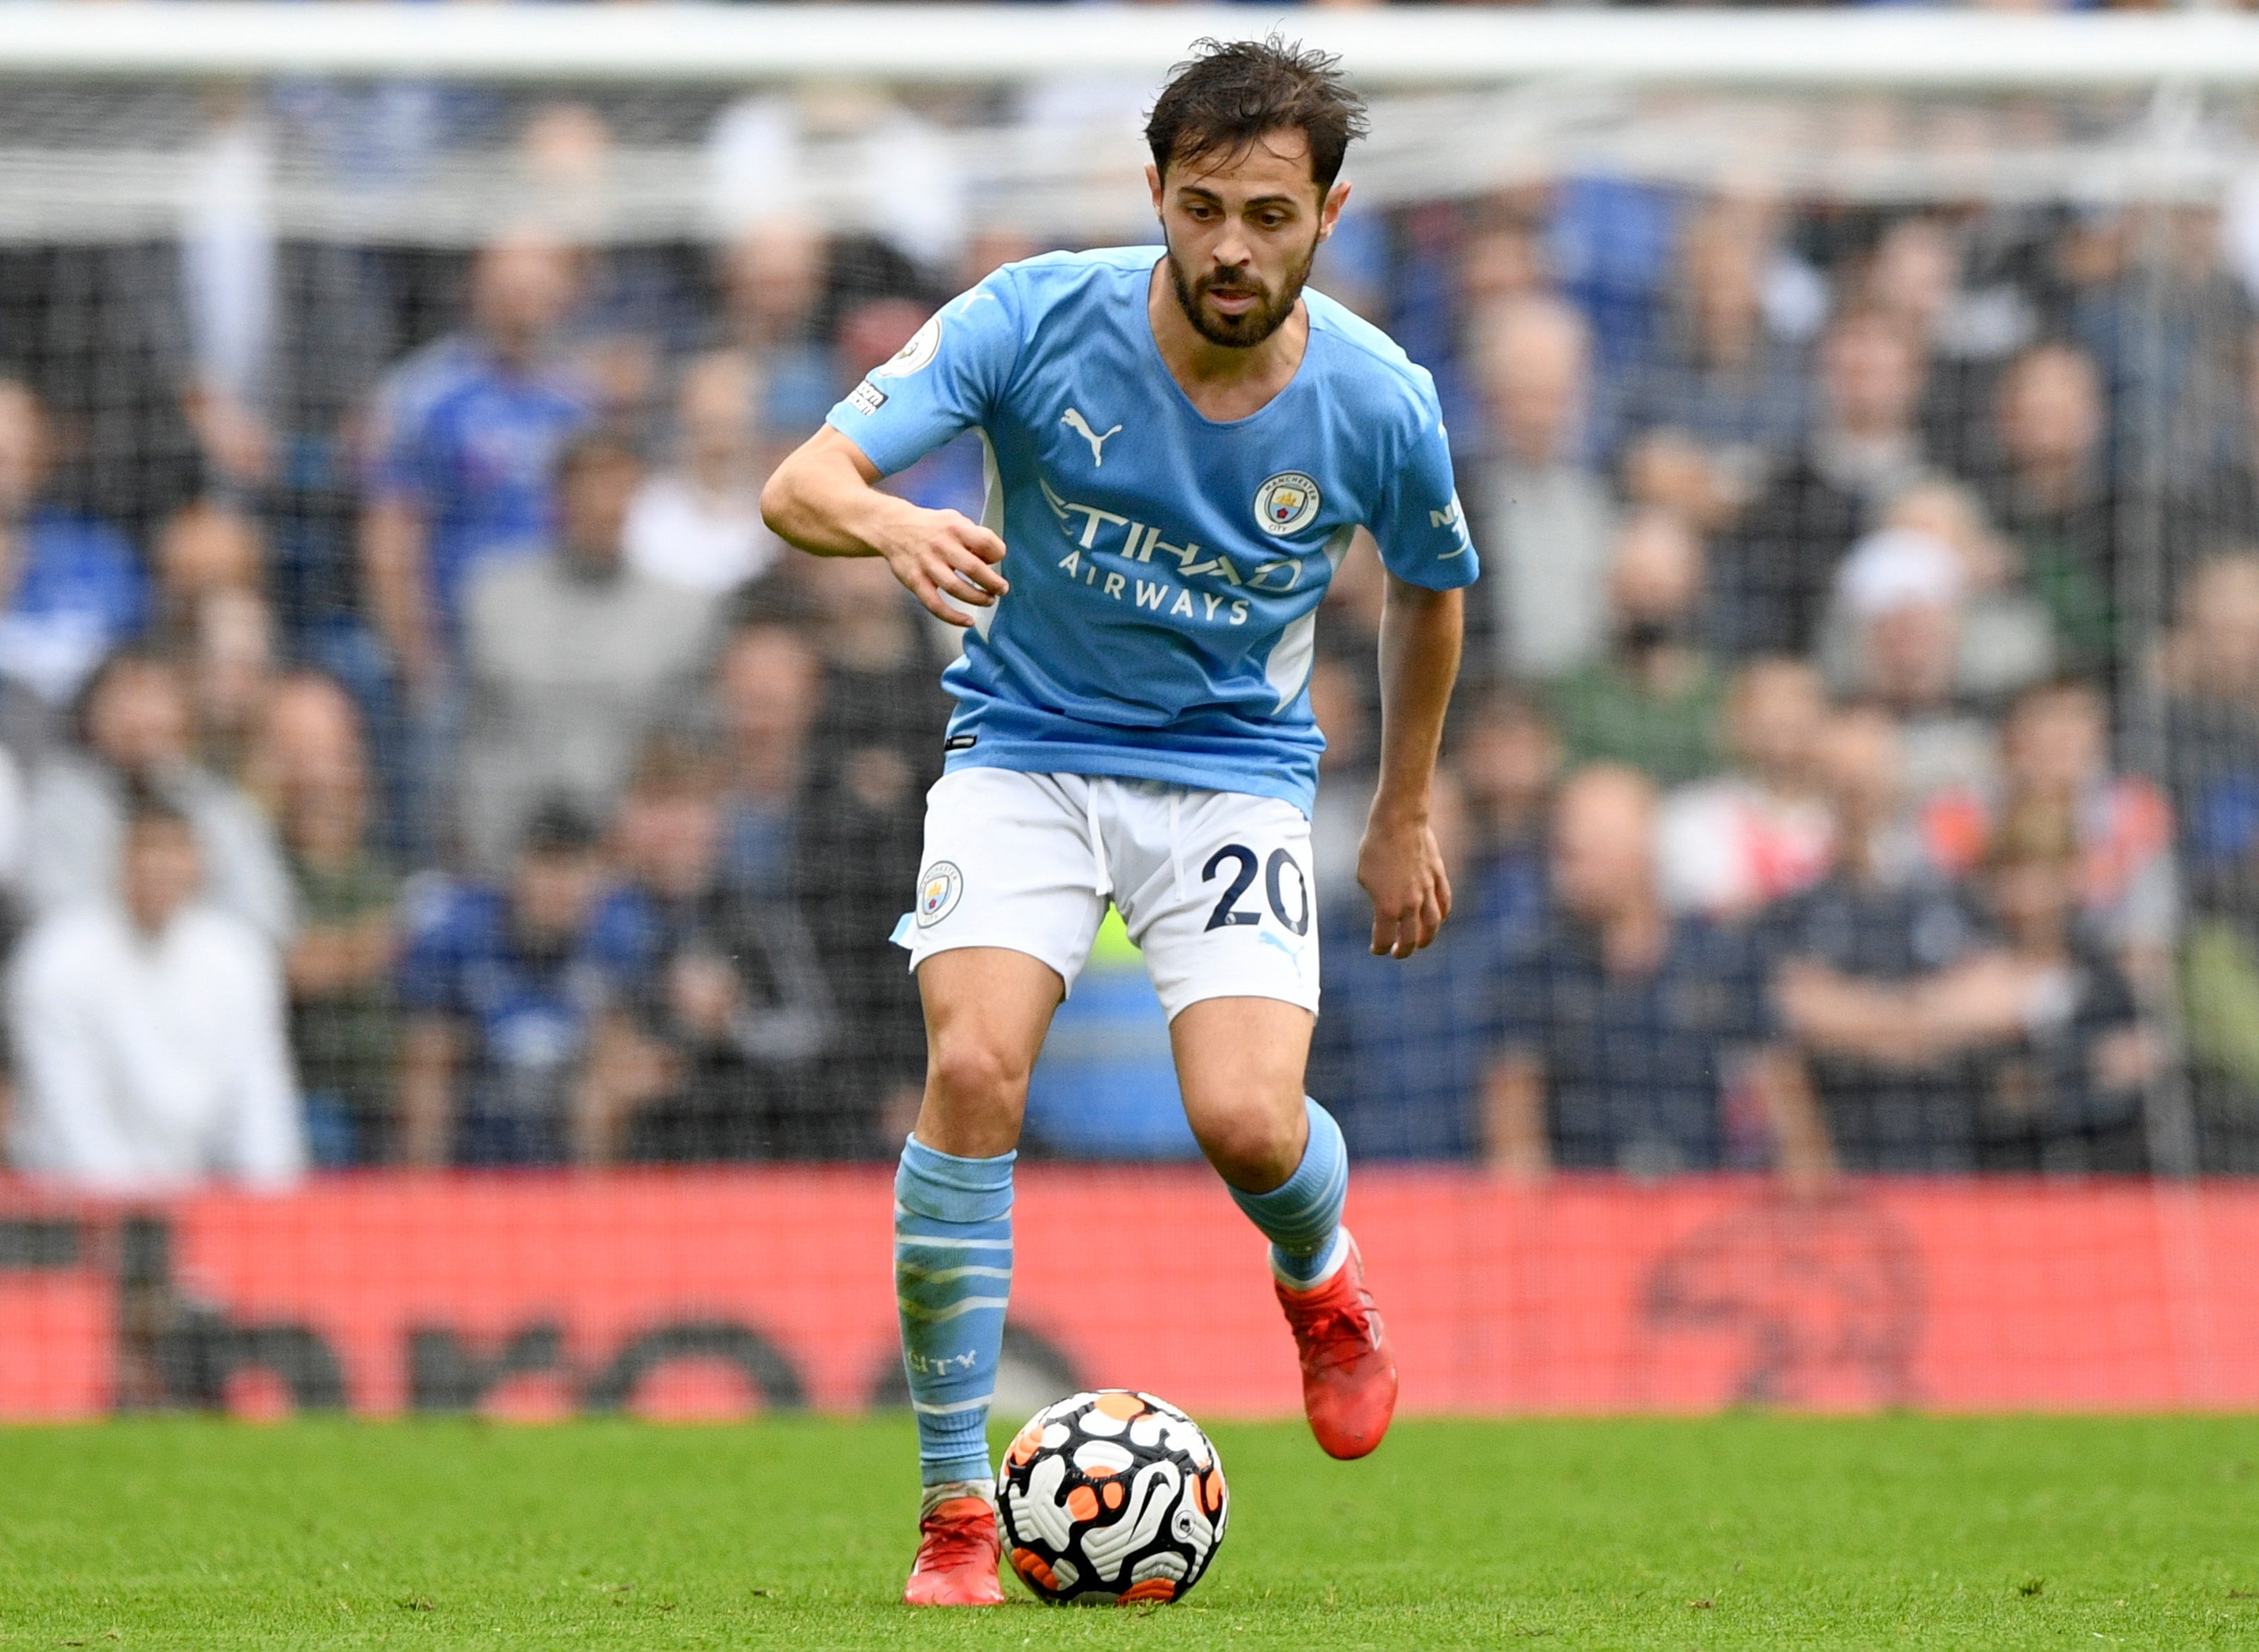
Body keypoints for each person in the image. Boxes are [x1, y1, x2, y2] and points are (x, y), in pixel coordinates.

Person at [760, 40, 1475, 1605]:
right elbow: (799, 483)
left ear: (1330, 213)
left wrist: (1402, 810)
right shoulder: (1031, 318)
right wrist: (888, 522)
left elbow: (1430, 595)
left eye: (1269, 216)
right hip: (1023, 751)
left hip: (1232, 773)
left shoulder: (1378, 399)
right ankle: (954, 1512)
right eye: (1202, 207)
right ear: (1153, 191)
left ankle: (1322, 1277)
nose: (1231, 248)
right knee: (972, 1068)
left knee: (1247, 1124)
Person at [1483, 766, 1829, 1180]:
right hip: (1586, 1205)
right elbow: (1514, 1137)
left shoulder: (1720, 958)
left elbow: (1787, 1111)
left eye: (1589, 848)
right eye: (1565, 851)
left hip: (1704, 1201)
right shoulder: (1536, 969)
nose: (1568, 868)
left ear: (1641, 849)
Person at [6, 795, 303, 1192]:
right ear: (117, 860)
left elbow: (261, 1103)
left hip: (192, 1194)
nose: (159, 867)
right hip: (65, 1199)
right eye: (147, 850)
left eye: (174, 851)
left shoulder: (239, 959)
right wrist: (141, 1213)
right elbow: (70, 1115)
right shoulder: (57, 959)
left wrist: (275, 1205)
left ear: (200, 863)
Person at [457, 431, 716, 873]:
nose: (605, 504)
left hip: (631, 864)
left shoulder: (684, 613)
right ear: (558, 497)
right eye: (590, 485)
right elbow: (470, 741)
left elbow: (690, 758)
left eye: (619, 486)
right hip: (509, 857)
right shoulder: (494, 600)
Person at [580, 738, 833, 1163]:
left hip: (740, 1147)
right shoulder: (598, 915)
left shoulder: (755, 915)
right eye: (656, 804)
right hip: (628, 1155)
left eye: (690, 805)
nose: (673, 825)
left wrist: (732, 1022)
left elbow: (816, 1031)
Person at [23, 648, 296, 945]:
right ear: (92, 715)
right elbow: (49, 918)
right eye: (125, 699)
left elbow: (267, 919)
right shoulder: (57, 799)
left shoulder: (220, 807)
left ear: (186, 715)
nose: (140, 717)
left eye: (156, 698)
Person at [394, 799, 608, 1168]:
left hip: (565, 1157)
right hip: (477, 1156)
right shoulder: (463, 936)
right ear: (517, 869)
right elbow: (428, 1066)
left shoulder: (614, 943)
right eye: (547, 865)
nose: (561, 886)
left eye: (575, 868)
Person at [0, 379, 150, 763]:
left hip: (86, 763)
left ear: (40, 457)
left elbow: (135, 672)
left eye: (13, 453)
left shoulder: (98, 557)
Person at [1468, 294, 1616, 679]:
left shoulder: (1613, 491)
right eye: (1525, 394)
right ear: (1489, 396)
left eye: (1556, 395)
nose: (1540, 416)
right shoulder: (1455, 499)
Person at [1545, 508, 1725, 788]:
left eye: (1664, 580)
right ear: (1610, 585)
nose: (1650, 593)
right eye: (1637, 576)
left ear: (1695, 587)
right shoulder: (1571, 693)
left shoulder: (1723, 696)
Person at [1655, 658, 1835, 921]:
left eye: (1797, 711)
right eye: (1766, 717)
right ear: (1733, 724)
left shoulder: (1845, 819)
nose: (1782, 725)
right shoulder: (1690, 818)